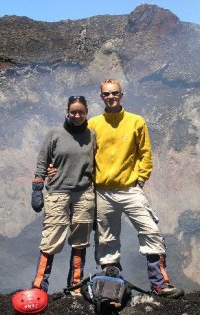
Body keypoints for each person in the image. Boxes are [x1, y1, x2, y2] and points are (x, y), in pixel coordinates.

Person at [56, 79, 184, 298]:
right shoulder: (94, 124)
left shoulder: (136, 122)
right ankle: (110, 284)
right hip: (102, 191)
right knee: (106, 239)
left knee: (150, 231)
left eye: (114, 93)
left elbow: (145, 153)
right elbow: (76, 149)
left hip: (130, 189)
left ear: (121, 95)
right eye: (106, 94)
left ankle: (160, 284)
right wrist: (53, 168)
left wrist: (141, 178)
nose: (111, 97)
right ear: (101, 97)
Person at [30, 95, 96, 295]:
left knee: (80, 241)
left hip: (84, 194)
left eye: (81, 112)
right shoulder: (55, 134)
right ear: (67, 112)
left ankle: (74, 286)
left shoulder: (92, 135)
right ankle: (40, 286)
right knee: (51, 240)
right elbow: (43, 161)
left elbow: (97, 163)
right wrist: (37, 187)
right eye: (73, 112)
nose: (77, 115)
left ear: (86, 113)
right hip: (58, 193)